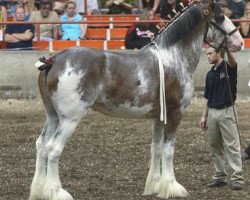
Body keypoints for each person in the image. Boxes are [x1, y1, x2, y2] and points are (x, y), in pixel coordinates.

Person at [199, 47, 245, 190]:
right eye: (206, 54)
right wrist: (204, 116)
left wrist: (227, 48)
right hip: (212, 111)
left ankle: (237, 177)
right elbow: (207, 97)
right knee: (215, 145)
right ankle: (220, 176)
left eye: (210, 53)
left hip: (227, 111)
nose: (207, 56)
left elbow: (233, 61)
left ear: (219, 53)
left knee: (232, 146)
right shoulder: (209, 74)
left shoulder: (228, 67)